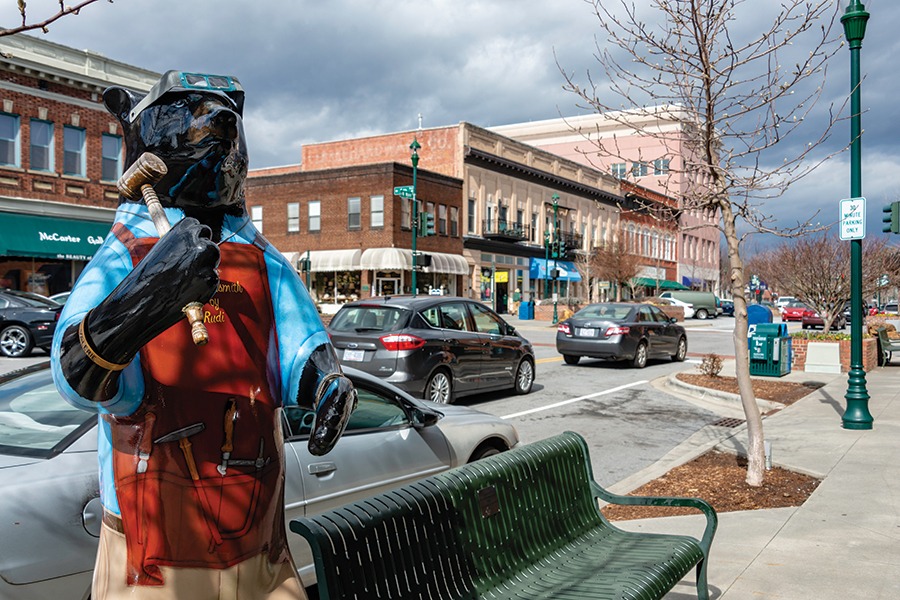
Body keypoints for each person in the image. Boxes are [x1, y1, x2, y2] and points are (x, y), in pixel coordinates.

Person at [51, 71, 356, 600]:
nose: (218, 125)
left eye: (223, 116)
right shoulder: (124, 256)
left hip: (255, 524)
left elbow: (300, 345)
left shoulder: (263, 261)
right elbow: (75, 375)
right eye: (187, 113)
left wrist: (325, 385)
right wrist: (145, 298)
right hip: (155, 535)